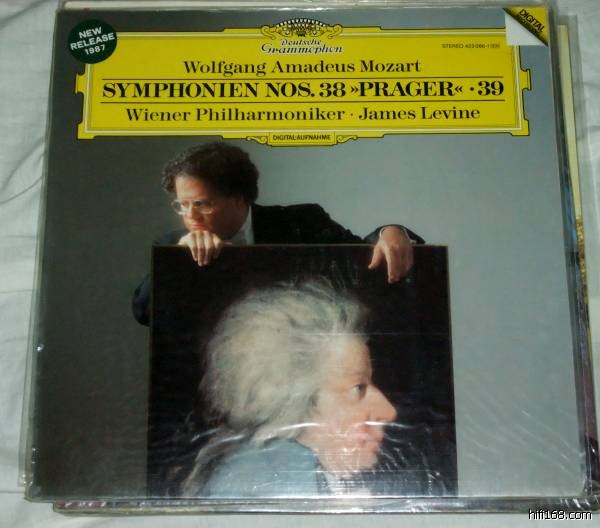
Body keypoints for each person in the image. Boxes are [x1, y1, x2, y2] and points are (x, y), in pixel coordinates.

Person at [132, 142, 424, 325]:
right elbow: (144, 313)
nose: (190, 216)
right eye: (182, 205)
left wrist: (390, 231)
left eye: (202, 204)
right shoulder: (173, 245)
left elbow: (361, 255)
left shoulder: (302, 222)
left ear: (240, 199)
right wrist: (179, 261)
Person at [180, 279, 397, 497]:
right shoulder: (261, 481)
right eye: (358, 388)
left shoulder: (297, 475)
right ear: (291, 400)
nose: (389, 411)